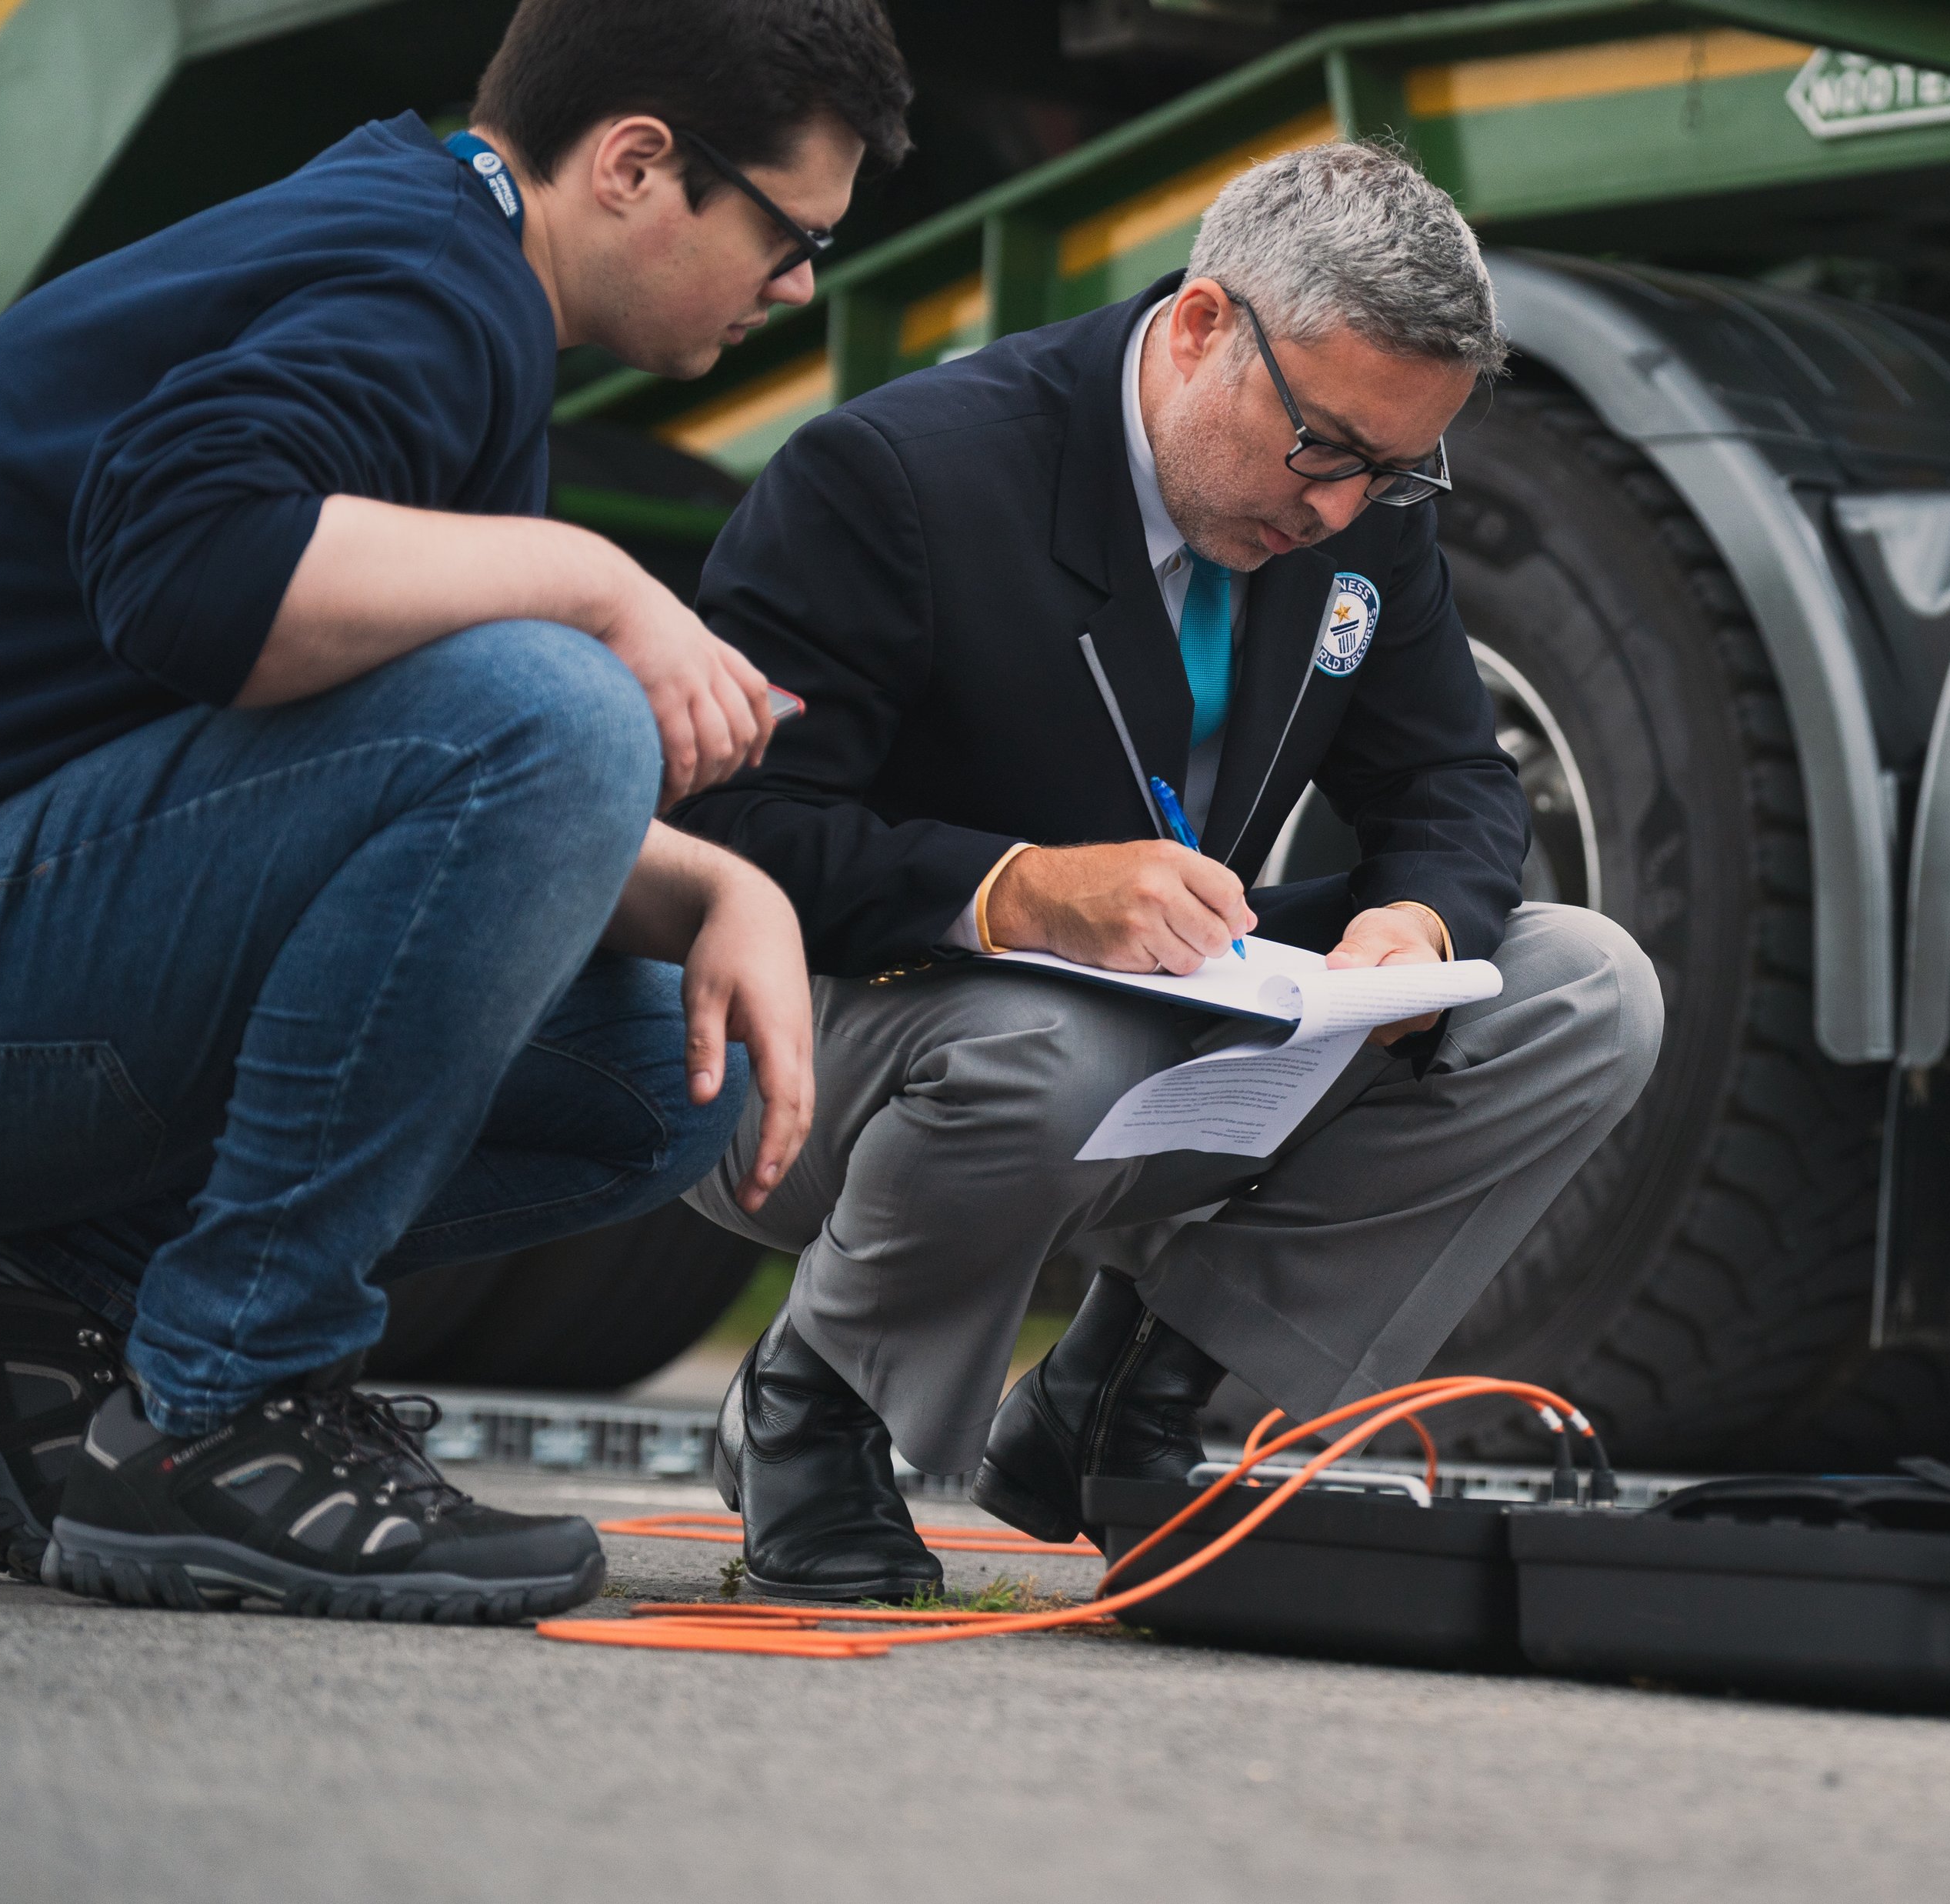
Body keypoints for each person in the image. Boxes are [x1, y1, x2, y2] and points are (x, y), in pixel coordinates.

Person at [0, 0, 906, 1623]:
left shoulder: (433, 263)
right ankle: (224, 1407)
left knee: (681, 1068)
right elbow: (190, 559)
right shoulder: (428, 280)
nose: (798, 285)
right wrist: (601, 588)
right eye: (784, 230)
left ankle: (12, 1294)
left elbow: (348, 776)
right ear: (634, 162)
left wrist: (717, 884)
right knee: (559, 695)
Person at [672, 141, 1663, 1603]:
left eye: (1397, 468)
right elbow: (725, 838)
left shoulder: (1363, 515)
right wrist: (1015, 890)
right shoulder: (896, 477)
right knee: (1053, 1039)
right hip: (812, 1053)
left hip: (1151, 1024)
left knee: (1588, 991)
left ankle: (1121, 1396)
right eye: (1324, 448)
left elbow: (1452, 778)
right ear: (1202, 328)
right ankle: (811, 1408)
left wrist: (1414, 919)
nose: (1340, 510)